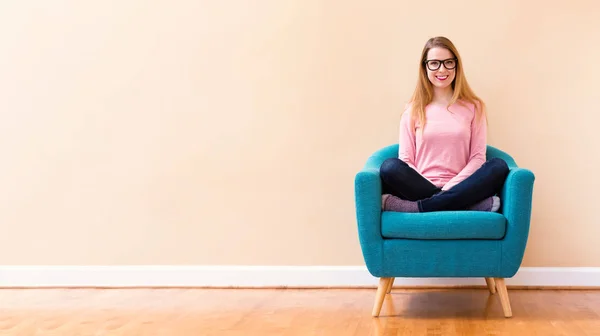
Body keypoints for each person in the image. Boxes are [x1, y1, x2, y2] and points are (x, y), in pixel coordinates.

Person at [380, 36, 509, 213]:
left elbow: (478, 158)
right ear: (425, 67)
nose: (442, 69)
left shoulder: (474, 107)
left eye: (448, 62)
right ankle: (469, 206)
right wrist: (435, 188)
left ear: (456, 65)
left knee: (498, 166)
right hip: (419, 187)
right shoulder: (412, 110)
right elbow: (406, 160)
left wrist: (451, 188)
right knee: (389, 167)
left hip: (463, 185)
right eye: (434, 63)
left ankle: (416, 207)